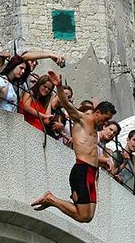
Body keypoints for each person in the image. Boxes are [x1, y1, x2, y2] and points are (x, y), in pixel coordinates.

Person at [30, 71, 108, 223]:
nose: (106, 122)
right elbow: (66, 103)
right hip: (82, 169)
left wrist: (101, 163)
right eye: (106, 118)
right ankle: (51, 199)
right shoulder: (81, 118)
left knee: (88, 217)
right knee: (82, 215)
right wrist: (58, 86)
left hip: (92, 172)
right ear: (98, 113)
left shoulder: (95, 130)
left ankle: (52, 200)